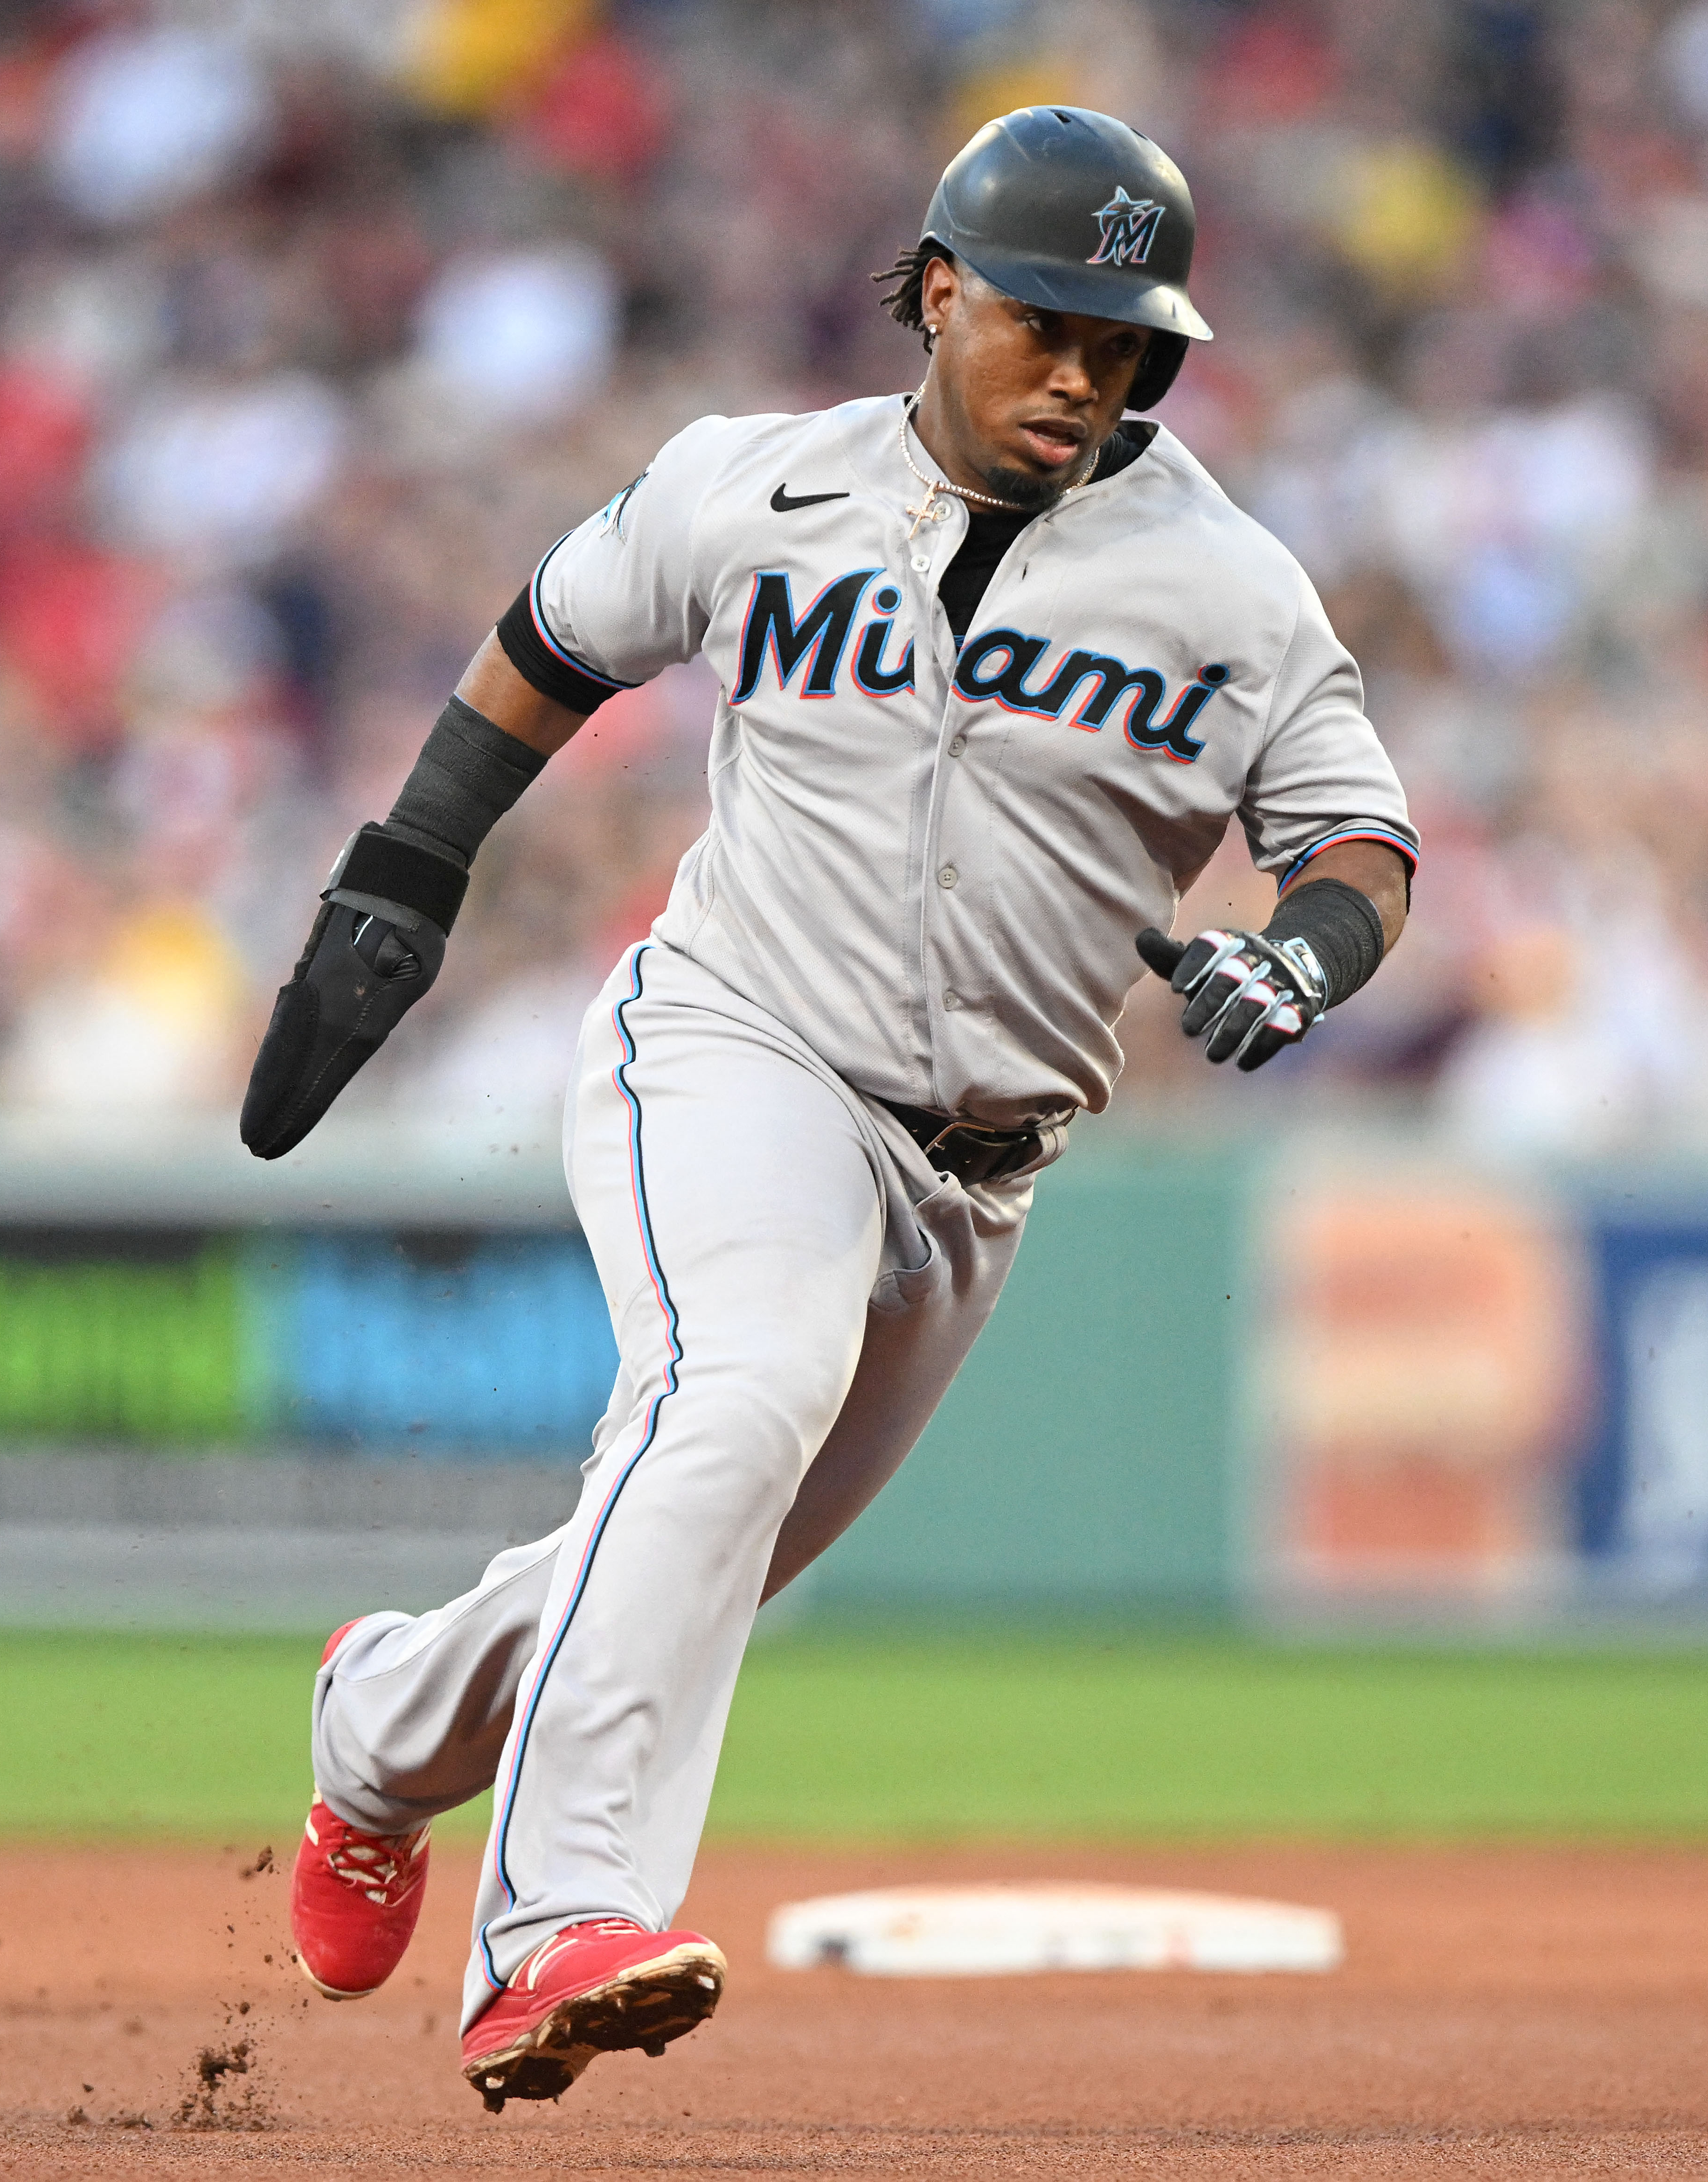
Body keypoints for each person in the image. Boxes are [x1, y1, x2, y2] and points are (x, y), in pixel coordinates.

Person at [242, 106, 1417, 2111]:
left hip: (978, 1175)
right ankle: (549, 1933)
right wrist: (405, 872)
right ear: (939, 289)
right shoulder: (756, 486)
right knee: (736, 1392)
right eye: (1048, 322)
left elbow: (1359, 841)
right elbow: (549, 635)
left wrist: (1300, 954)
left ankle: (387, 1719)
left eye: (1125, 342)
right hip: (733, 1044)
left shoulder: (1224, 587)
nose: (1085, 372)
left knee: (706, 1536)